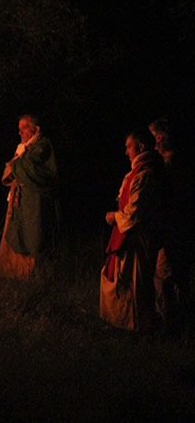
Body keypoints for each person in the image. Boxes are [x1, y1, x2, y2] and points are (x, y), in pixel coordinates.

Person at [100, 129, 163, 331]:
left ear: (141, 146)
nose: (126, 151)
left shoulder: (145, 175)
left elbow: (133, 213)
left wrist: (114, 217)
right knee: (124, 280)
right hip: (131, 235)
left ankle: (136, 328)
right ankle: (124, 323)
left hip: (138, 237)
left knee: (135, 284)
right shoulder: (138, 172)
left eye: (129, 146)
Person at [0, 114, 59, 278]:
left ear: (36, 129)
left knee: (35, 238)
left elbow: (27, 168)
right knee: (17, 234)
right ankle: (16, 275)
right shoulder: (26, 147)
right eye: (19, 129)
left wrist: (15, 163)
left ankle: (38, 278)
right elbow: (9, 171)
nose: (20, 132)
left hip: (35, 203)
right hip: (21, 200)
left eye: (24, 127)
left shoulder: (42, 145)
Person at [148, 117, 192, 325]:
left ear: (160, 137)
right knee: (179, 273)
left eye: (154, 136)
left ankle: (170, 323)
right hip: (177, 227)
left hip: (170, 228)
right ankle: (182, 317)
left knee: (165, 273)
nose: (152, 142)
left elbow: (167, 200)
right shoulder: (178, 162)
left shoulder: (169, 165)